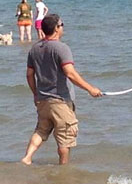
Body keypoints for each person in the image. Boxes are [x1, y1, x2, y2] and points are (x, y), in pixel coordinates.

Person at [21, 13, 102, 165]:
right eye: (61, 24)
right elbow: (70, 73)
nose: (63, 27)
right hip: (60, 102)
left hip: (43, 100)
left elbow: (29, 75)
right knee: (65, 138)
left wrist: (36, 94)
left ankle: (27, 157)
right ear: (57, 29)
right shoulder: (62, 48)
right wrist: (90, 89)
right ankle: (63, 168)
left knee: (40, 131)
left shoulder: (34, 49)